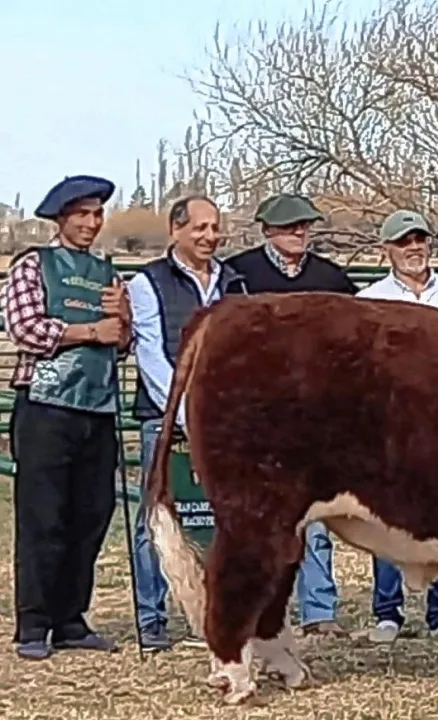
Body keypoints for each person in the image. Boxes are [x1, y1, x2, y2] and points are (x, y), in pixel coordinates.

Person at [2, 175, 131, 660]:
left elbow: (123, 345)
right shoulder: (33, 265)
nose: (91, 223)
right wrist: (90, 331)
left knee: (92, 514)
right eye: (82, 214)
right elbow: (26, 328)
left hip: (97, 407)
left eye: (96, 214)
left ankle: (71, 619)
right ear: (61, 217)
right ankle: (33, 624)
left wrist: (123, 325)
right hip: (45, 406)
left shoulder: (107, 272)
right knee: (43, 516)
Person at [225, 193, 357, 639]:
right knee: (261, 517)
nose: (298, 233)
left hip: (321, 411)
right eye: (288, 227)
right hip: (261, 411)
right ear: (266, 231)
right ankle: (262, 616)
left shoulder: (331, 278)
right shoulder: (240, 275)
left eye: (304, 226)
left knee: (316, 513)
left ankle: (319, 610)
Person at [356, 209, 438, 644]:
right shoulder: (369, 298)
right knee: (387, 515)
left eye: (419, 239)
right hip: (390, 422)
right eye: (403, 241)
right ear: (386, 249)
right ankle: (387, 613)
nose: (413, 248)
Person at [128, 194, 244, 651]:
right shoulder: (147, 283)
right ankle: (151, 620)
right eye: (200, 228)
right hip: (166, 419)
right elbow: (151, 355)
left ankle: (218, 616)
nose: (210, 236)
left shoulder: (233, 284)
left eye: (214, 227)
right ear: (175, 230)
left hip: (225, 425)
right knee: (158, 519)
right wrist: (185, 411)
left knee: (223, 518)